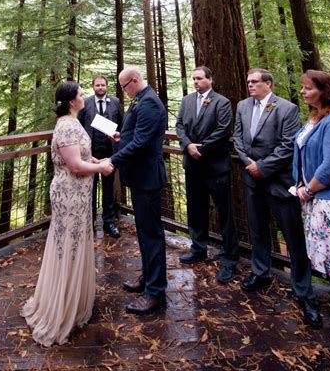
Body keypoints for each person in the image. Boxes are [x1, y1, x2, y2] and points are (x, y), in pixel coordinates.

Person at [22, 80, 113, 347]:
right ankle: (60, 310)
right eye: (80, 93)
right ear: (72, 101)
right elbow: (73, 165)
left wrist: (95, 160)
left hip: (80, 194)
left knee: (76, 242)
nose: (84, 96)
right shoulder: (66, 126)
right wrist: (102, 169)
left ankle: (74, 301)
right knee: (67, 245)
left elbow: (82, 154)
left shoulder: (74, 123)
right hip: (69, 194)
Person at [234, 68, 322, 329]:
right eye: (248, 81)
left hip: (279, 182)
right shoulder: (242, 106)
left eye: (254, 82)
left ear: (268, 84)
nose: (249, 85)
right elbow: (237, 137)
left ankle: (304, 292)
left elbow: (287, 145)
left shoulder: (286, 108)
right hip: (251, 180)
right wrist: (247, 162)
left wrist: (262, 166)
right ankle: (260, 273)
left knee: (293, 236)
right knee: (258, 229)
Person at [109, 66, 167, 315]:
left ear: (133, 81)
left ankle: (155, 292)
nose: (123, 92)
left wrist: (113, 161)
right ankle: (147, 276)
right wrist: (123, 136)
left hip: (148, 177)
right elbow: (136, 133)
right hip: (139, 177)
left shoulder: (150, 103)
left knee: (152, 234)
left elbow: (143, 142)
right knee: (143, 232)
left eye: (123, 87)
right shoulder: (141, 101)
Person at [175, 66, 239, 283]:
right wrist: (188, 146)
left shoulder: (222, 102)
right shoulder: (186, 101)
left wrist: (201, 148)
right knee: (196, 209)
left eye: (199, 78)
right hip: (192, 166)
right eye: (193, 78)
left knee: (224, 212)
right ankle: (198, 247)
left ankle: (230, 257)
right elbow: (179, 126)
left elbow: (223, 130)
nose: (195, 82)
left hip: (215, 166)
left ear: (210, 80)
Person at [293, 70, 330, 299]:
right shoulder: (314, 118)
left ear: (325, 91)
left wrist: (309, 189)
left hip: (329, 201)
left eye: (308, 88)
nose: (302, 92)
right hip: (313, 199)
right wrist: (300, 183)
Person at [78, 74, 124, 238]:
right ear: (93, 87)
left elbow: (122, 124)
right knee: (89, 187)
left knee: (108, 189)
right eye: (97, 85)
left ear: (107, 86)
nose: (100, 88)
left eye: (103, 85)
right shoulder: (86, 103)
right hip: (90, 153)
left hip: (110, 153)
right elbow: (79, 126)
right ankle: (88, 223)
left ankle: (109, 222)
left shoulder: (116, 102)